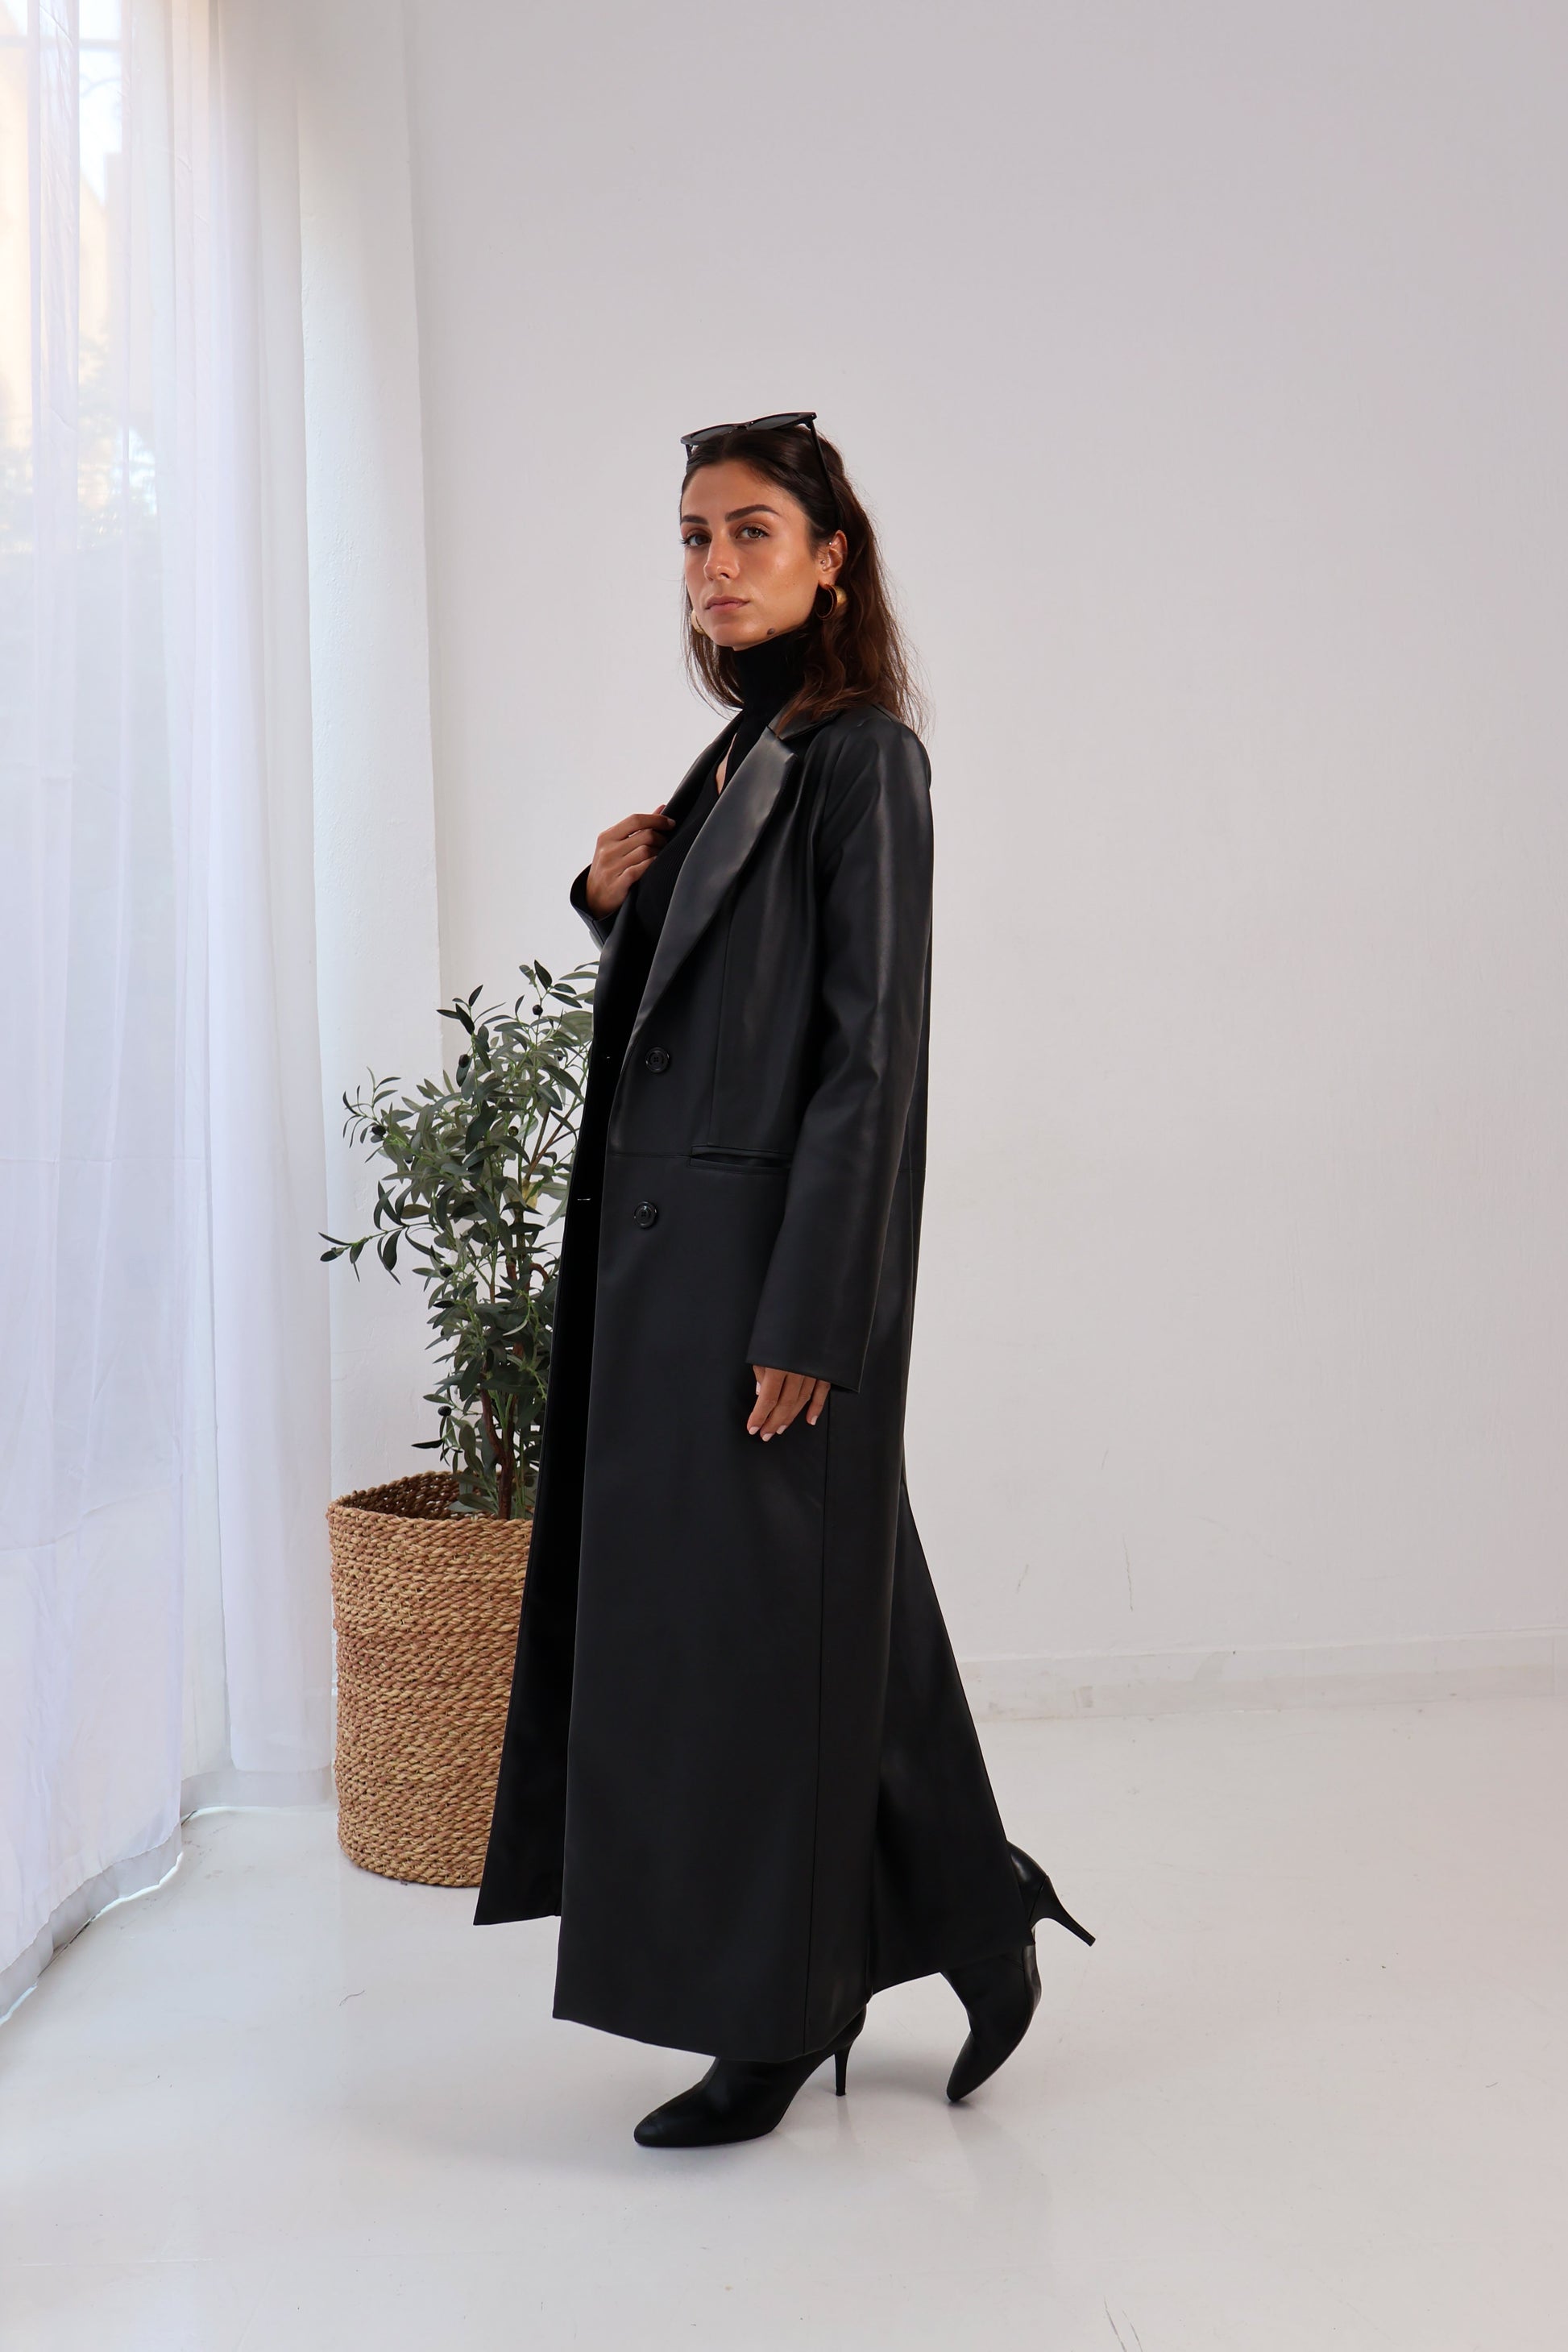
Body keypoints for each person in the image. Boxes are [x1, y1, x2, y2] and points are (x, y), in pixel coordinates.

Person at [475, 413, 1093, 2148]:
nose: (714, 563)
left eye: (751, 530)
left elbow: (866, 1058)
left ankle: (773, 2007)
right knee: (822, 1606)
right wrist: (613, 902)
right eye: (693, 535)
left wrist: (819, 1313)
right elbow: (718, 995)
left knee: (755, 1644)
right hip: (666, 1272)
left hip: (761, 1278)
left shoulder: (862, 758)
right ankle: (970, 1898)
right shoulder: (741, 754)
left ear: (832, 557)